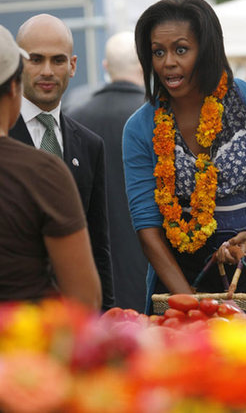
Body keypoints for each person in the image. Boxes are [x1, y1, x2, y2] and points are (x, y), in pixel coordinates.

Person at [122, 0, 246, 321]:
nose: (168, 62)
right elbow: (148, 230)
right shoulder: (140, 127)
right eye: (158, 52)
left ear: (207, 49)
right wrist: (189, 305)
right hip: (180, 275)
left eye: (181, 49)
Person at [9, 14, 114, 311]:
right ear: (18, 63)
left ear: (73, 65)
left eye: (57, 60)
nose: (47, 71)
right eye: (35, 59)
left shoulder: (90, 145)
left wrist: (105, 316)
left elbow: (98, 244)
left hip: (75, 318)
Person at [70, 31, 147, 312]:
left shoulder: (73, 119)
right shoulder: (158, 117)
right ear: (143, 66)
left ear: (105, 67)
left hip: (92, 271)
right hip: (150, 266)